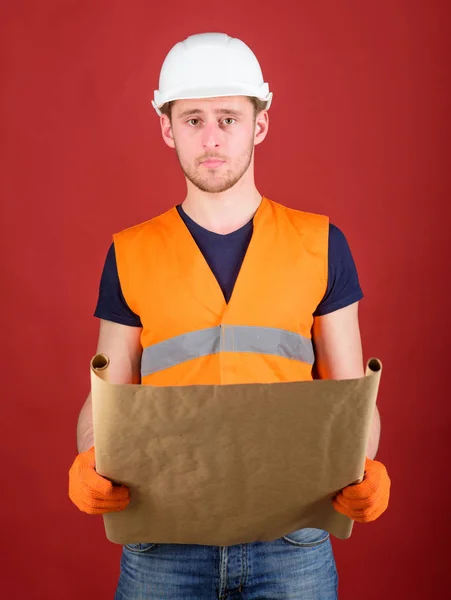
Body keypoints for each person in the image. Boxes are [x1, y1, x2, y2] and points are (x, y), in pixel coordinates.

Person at [69, 32, 390, 599]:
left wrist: (366, 463)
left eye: (228, 118)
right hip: (163, 541)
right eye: (192, 120)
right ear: (167, 128)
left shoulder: (321, 244)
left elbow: (352, 398)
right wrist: (89, 457)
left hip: (292, 542)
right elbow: (106, 398)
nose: (211, 138)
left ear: (259, 125)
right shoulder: (131, 252)